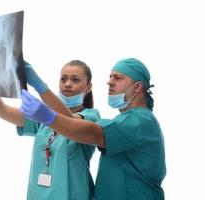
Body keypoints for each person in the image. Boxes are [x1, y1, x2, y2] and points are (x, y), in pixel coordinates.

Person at [20, 58, 166, 200]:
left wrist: (48, 112)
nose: (109, 82)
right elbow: (75, 123)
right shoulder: (125, 121)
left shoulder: (139, 121)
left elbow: (89, 132)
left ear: (138, 86)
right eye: (110, 77)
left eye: (118, 78)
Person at [0, 47, 100, 200]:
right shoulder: (43, 115)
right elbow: (0, 110)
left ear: (88, 87)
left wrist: (39, 86)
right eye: (63, 78)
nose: (67, 84)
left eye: (75, 79)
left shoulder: (91, 116)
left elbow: (70, 123)